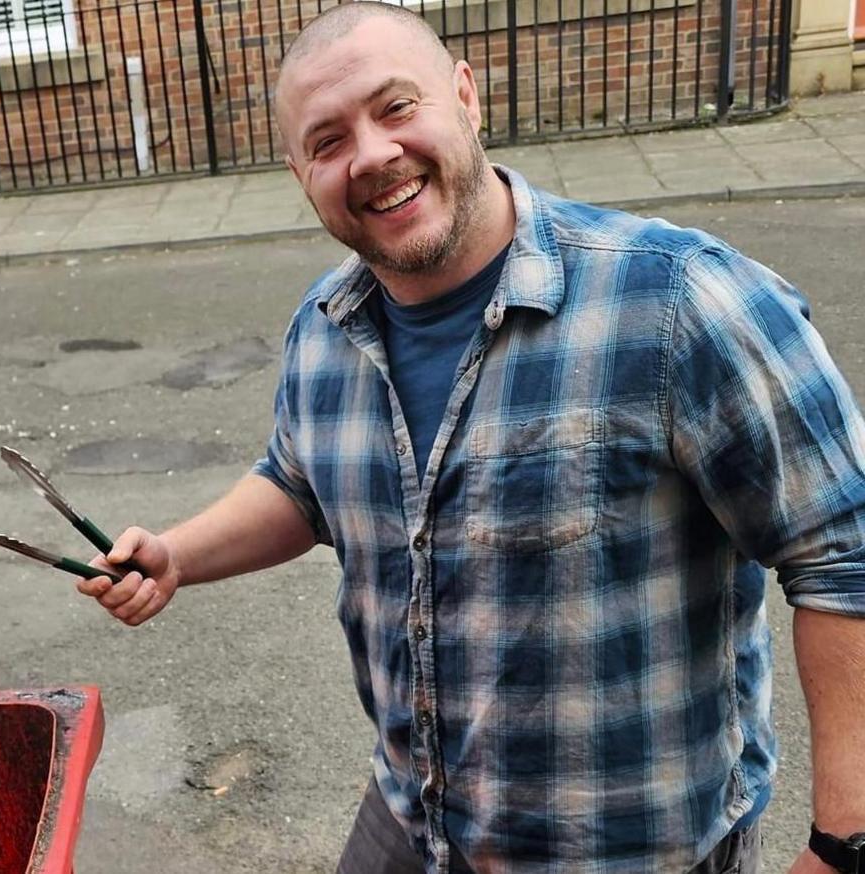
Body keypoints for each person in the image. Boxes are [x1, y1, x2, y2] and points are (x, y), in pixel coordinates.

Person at [76, 3, 865, 872]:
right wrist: (177, 556)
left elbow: (844, 548)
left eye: (396, 108)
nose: (373, 154)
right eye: (328, 140)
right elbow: (300, 483)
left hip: (626, 850)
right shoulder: (325, 327)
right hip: (414, 821)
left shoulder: (677, 303)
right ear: (301, 173)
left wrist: (843, 843)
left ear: (465, 97)